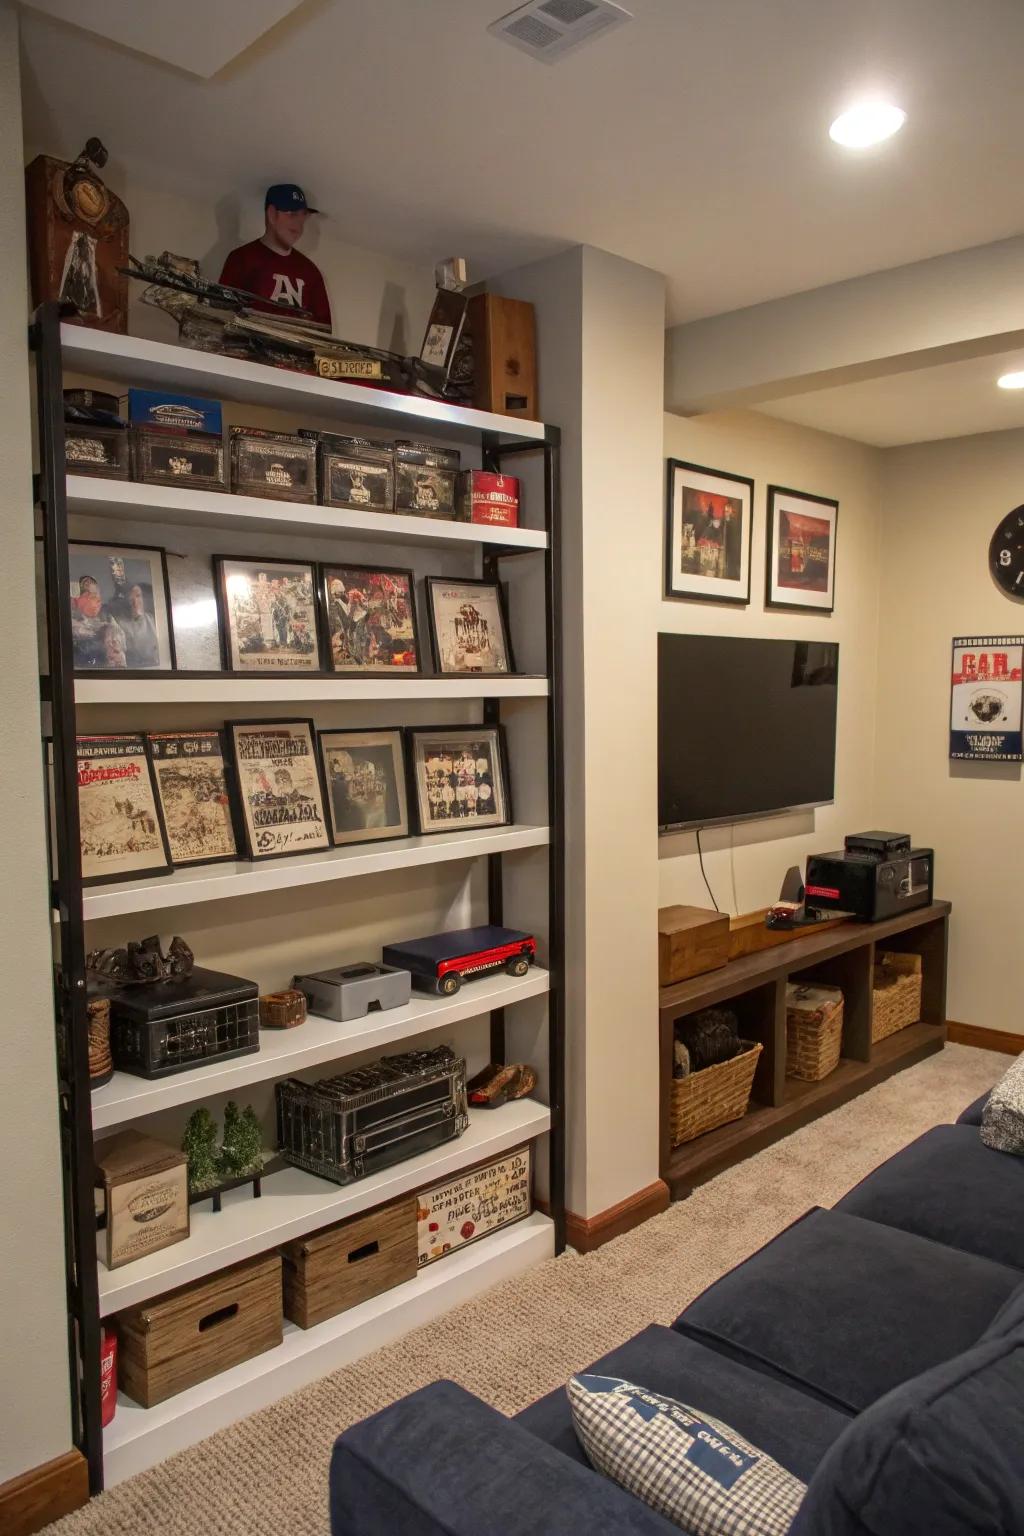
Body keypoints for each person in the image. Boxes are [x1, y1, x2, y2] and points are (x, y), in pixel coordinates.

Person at [219, 184, 331, 328]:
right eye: (292, 214)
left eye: (303, 217)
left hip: (296, 349)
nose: (299, 225)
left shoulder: (310, 271)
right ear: (272, 214)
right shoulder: (242, 258)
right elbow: (221, 312)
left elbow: (324, 330)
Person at [119, 584, 160, 668]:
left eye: (138, 596)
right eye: (130, 599)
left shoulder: (153, 619)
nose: (135, 602)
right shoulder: (121, 625)